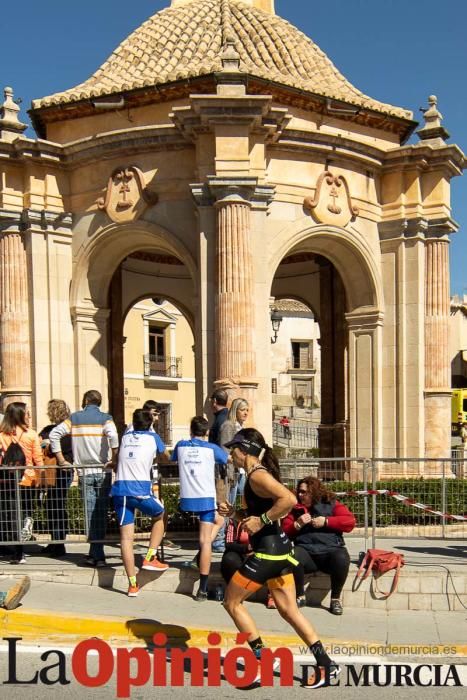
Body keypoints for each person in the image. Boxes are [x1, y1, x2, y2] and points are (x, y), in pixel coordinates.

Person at [219, 428, 340, 688]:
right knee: (289, 611)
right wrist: (235, 514)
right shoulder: (256, 475)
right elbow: (261, 516)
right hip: (281, 552)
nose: (231, 456)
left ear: (245, 450)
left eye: (233, 450)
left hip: (267, 554)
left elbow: (289, 499)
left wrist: (261, 520)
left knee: (232, 602)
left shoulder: (257, 476)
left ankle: (262, 659)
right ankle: (327, 665)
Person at [50, 390, 119, 568]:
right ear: (99, 402)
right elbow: (113, 436)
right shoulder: (106, 418)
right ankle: (97, 554)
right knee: (101, 514)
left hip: (84, 471)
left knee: (90, 514)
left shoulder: (74, 418)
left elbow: (54, 435)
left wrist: (61, 460)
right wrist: (114, 458)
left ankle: (96, 555)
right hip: (103, 471)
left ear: (86, 400)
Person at [112, 408, 169, 597]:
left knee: (126, 539)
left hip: (120, 491)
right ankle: (150, 556)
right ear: (150, 423)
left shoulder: (126, 437)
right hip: (140, 490)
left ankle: (132, 585)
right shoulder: (154, 438)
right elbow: (165, 456)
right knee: (161, 514)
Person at [172, 416, 228, 601]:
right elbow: (225, 459)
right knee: (205, 542)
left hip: (187, 497)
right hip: (205, 497)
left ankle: (198, 558)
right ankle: (202, 589)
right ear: (206, 432)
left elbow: (172, 458)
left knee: (219, 520)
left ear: (190, 430)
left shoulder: (181, 445)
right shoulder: (212, 448)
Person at [282, 476, 356, 616]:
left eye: (304, 492)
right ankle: (300, 596)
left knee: (342, 558)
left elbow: (350, 521)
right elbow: (284, 532)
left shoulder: (331, 504)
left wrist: (326, 521)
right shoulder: (295, 508)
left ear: (314, 492)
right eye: (300, 491)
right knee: (292, 556)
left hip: (330, 552)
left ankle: (335, 599)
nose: (300, 495)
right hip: (307, 553)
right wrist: (296, 525)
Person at [0, 402, 44, 563]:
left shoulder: (2, 434)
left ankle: (18, 552)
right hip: (28, 478)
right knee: (25, 509)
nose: (28, 415)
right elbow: (38, 459)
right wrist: (40, 478)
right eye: (26, 413)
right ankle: (27, 524)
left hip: (8, 479)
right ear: (20, 415)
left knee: (11, 514)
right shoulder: (31, 434)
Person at [39, 399, 74, 557]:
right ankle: (55, 542)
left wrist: (47, 445)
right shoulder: (66, 430)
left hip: (60, 472)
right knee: (53, 505)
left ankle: (58, 543)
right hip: (57, 472)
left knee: (56, 505)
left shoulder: (61, 430)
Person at [219, 398, 249, 506]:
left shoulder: (241, 427)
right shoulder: (228, 426)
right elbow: (225, 450)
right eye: (242, 410)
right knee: (229, 503)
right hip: (231, 471)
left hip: (241, 471)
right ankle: (227, 523)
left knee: (247, 499)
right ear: (235, 410)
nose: (245, 413)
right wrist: (229, 471)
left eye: (247, 410)